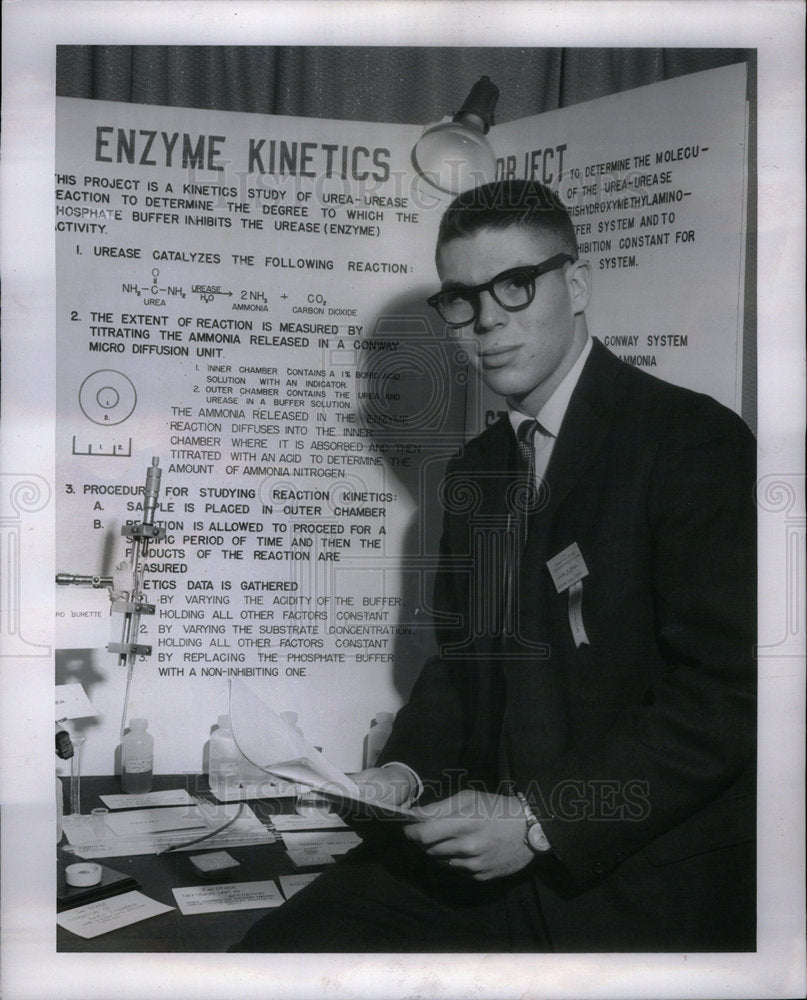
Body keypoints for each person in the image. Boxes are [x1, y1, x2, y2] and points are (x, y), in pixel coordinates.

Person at [232, 179, 756, 953]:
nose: (485, 321)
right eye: (461, 297)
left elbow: (733, 690)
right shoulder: (479, 466)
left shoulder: (690, 441)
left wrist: (543, 821)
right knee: (270, 960)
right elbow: (464, 663)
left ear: (575, 285)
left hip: (637, 878)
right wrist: (403, 774)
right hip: (490, 865)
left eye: (514, 285)